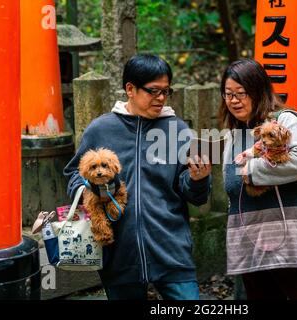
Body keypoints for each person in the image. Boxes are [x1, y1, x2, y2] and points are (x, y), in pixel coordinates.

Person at [64, 54, 212, 300]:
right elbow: (72, 174)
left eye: (166, 91)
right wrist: (93, 189)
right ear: (130, 89)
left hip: (171, 247)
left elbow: (194, 196)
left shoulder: (178, 130)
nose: (161, 98)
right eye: (153, 91)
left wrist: (199, 179)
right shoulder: (101, 129)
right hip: (120, 251)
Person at [219, 58, 297, 300]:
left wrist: (252, 172)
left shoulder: (284, 120)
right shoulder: (234, 131)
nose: (234, 101)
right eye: (228, 94)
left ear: (258, 91)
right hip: (252, 239)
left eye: (241, 93)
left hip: (294, 238)